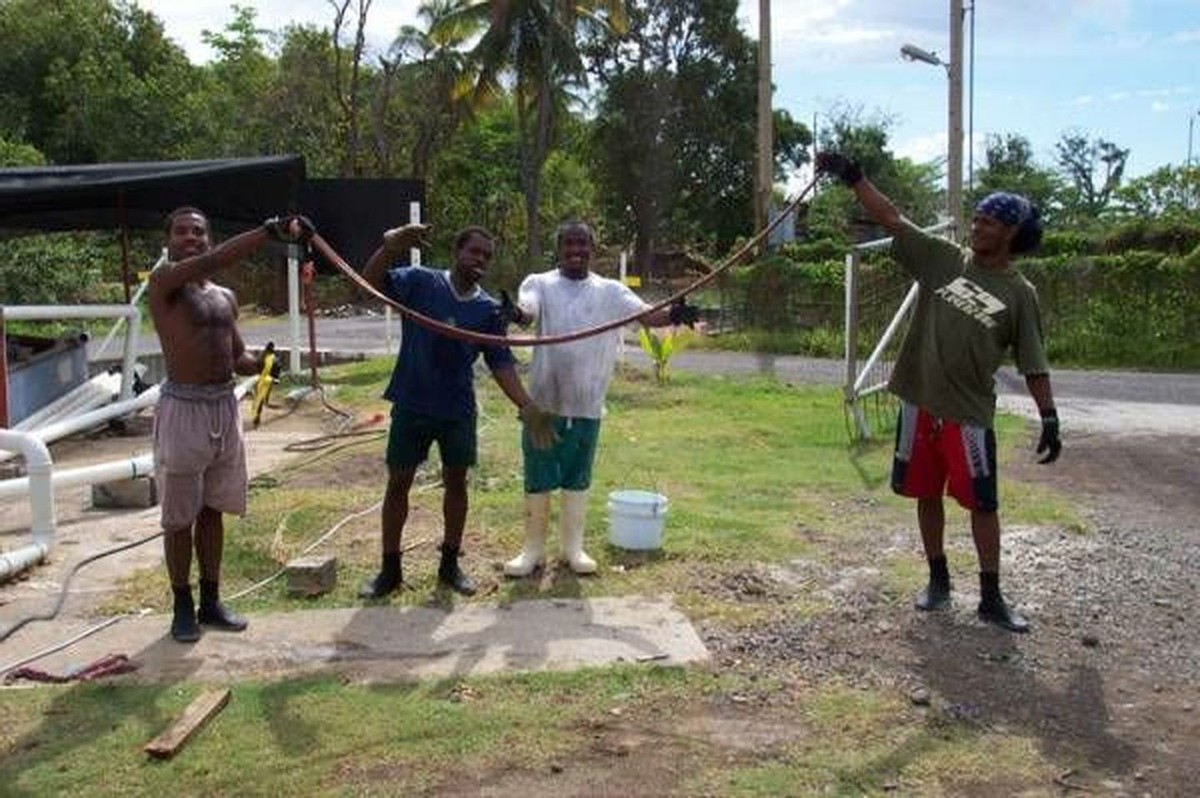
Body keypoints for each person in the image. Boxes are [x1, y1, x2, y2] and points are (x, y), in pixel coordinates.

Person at [815, 152, 1062, 633]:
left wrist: (1049, 417)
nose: (977, 225)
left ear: (1010, 233)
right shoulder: (943, 259)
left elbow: (1033, 361)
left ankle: (991, 596)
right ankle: (938, 580)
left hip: (968, 414)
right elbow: (891, 217)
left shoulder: (1019, 293)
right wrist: (855, 177)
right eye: (976, 217)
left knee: (983, 504)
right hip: (919, 402)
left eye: (988, 221)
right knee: (925, 493)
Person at [358, 224, 556, 599]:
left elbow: (501, 364)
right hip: (412, 402)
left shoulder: (488, 311)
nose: (480, 260)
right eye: (474, 252)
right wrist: (388, 246)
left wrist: (527, 406)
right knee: (398, 483)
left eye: (487, 256)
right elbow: (366, 285)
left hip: (457, 410)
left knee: (456, 484)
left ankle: (450, 564)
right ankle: (390, 570)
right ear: (457, 251)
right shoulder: (420, 282)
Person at [149, 207, 312, 642]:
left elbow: (237, 356)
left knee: (212, 509)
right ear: (168, 240)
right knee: (178, 517)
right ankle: (181, 605)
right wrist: (267, 232)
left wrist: (262, 365)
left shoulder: (223, 296)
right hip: (183, 408)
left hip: (223, 407)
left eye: (198, 232)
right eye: (181, 231)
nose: (190, 238)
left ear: (208, 236)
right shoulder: (163, 284)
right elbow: (211, 262)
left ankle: (211, 600)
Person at [502, 220, 698, 577]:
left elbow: (646, 314)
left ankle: (572, 548)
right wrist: (514, 314)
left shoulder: (611, 291)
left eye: (583, 245)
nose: (576, 252)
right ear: (558, 250)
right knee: (539, 474)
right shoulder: (540, 283)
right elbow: (527, 311)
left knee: (578, 476)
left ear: (592, 250)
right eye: (569, 245)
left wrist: (673, 314)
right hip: (544, 404)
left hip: (588, 406)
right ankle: (532, 550)